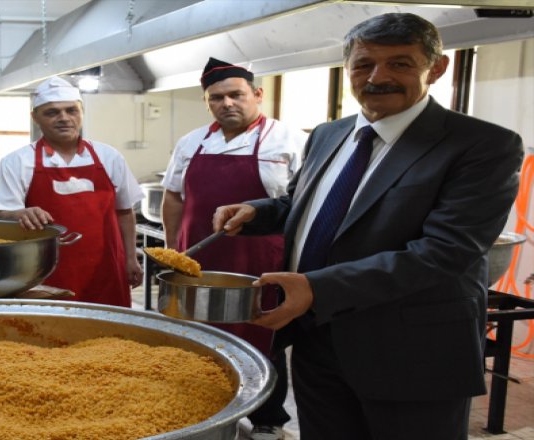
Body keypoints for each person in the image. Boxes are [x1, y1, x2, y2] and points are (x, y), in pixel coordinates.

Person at [213, 13, 523, 440]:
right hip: (316, 340)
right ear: (348, 69)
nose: (378, 77)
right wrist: (258, 211)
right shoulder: (329, 134)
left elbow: (445, 252)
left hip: (411, 352)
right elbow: (311, 207)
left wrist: (319, 288)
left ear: (436, 68)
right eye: (364, 64)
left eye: (400, 63)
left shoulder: (481, 145)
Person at [160, 57, 307, 440]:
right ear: (207, 102)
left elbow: (303, 204)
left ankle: (268, 420)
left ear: (257, 95)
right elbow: (173, 197)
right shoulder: (192, 142)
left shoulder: (288, 140)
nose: (227, 104)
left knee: (263, 335)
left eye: (236, 95)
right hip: (200, 259)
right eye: (216, 98)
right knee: (197, 334)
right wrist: (175, 248)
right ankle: (202, 406)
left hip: (261, 259)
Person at [0, 76, 144, 306]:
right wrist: (18, 213)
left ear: (81, 112)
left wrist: (131, 258)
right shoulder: (18, 162)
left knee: (111, 336)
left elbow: (124, 211)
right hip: (44, 272)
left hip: (107, 269)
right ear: (35, 117)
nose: (64, 118)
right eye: (52, 112)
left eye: (72, 110)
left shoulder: (108, 157)